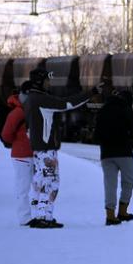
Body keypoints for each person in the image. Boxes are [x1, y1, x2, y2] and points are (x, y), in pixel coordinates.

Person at [22, 77, 100, 229]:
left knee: (39, 182)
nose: (48, 84)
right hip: (47, 150)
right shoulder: (41, 99)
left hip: (38, 149)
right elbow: (67, 104)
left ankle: (39, 215)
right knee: (51, 183)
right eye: (46, 81)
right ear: (39, 82)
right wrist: (91, 93)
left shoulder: (29, 100)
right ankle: (44, 217)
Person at [95, 89, 133, 226]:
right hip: (124, 153)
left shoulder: (102, 110)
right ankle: (123, 211)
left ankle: (110, 215)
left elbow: (96, 134)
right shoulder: (126, 109)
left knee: (110, 184)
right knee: (128, 182)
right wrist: (129, 139)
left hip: (106, 154)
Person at [0, 82, 33, 226]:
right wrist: (20, 141)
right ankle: (24, 218)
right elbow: (6, 134)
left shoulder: (23, 111)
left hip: (28, 154)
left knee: (30, 187)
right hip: (22, 156)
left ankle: (34, 215)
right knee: (23, 187)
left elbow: (7, 136)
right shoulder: (18, 113)